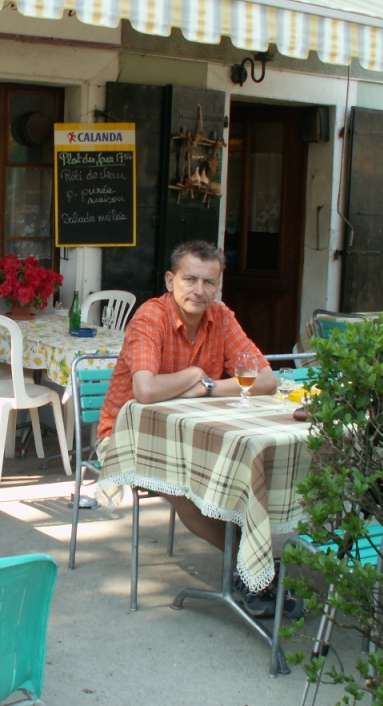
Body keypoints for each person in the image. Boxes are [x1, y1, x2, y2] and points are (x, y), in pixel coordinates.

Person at [97, 239, 298, 618]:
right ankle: (256, 568)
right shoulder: (150, 317)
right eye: (190, 279)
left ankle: (254, 568)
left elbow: (266, 380)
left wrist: (205, 387)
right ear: (171, 279)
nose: (199, 290)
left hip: (195, 432)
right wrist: (192, 373)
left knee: (238, 469)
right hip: (129, 437)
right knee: (188, 489)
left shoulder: (221, 316)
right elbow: (146, 390)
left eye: (209, 282)